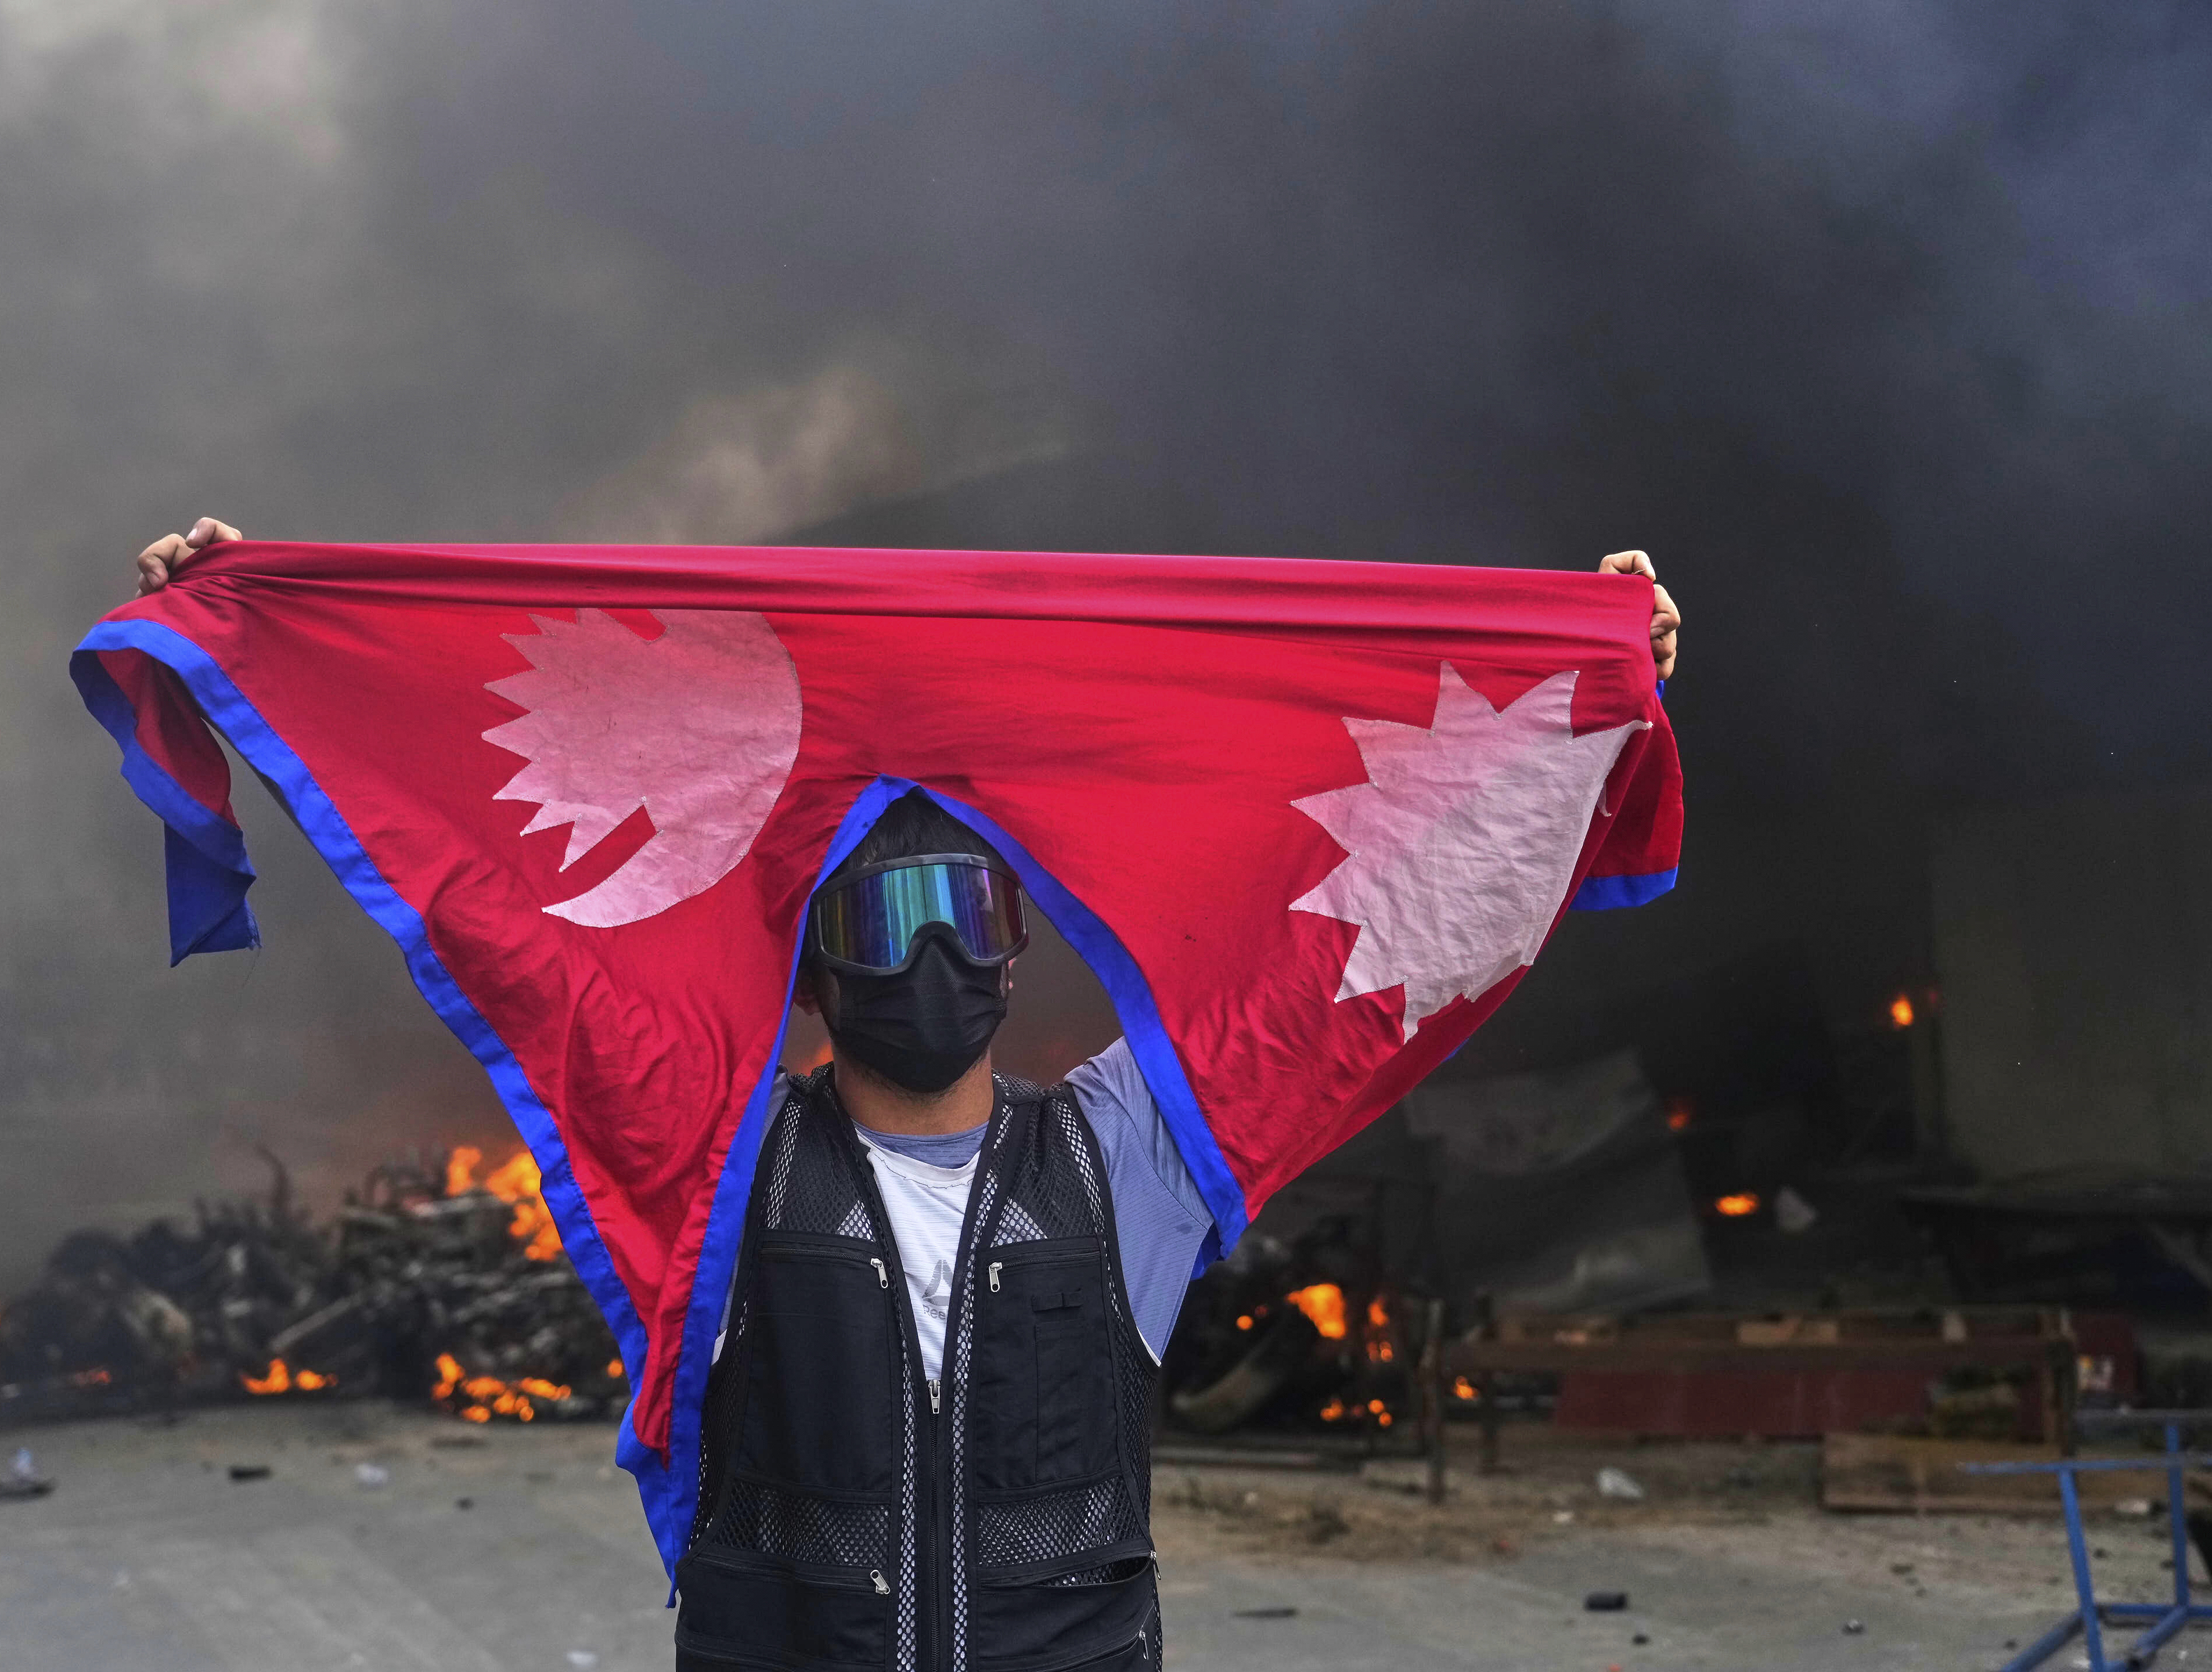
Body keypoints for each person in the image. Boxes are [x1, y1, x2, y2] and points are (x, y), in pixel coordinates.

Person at [134, 518, 1681, 1670]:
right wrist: (255, 645)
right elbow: (489, 919)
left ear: (1018, 950)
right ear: (812, 972)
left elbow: (1399, 928)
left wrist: (1583, 693)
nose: (934, 955)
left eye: (969, 914)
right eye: (886, 921)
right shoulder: (718, 1158)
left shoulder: (1131, 1156)